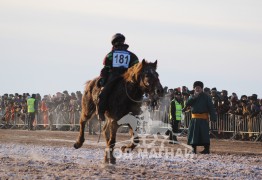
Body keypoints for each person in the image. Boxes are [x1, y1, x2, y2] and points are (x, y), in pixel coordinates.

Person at [97, 33, 139, 121]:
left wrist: (102, 78)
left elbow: (106, 67)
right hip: (128, 77)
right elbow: (136, 66)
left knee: (104, 93)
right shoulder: (132, 55)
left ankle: (101, 112)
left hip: (114, 76)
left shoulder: (110, 54)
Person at [183, 81, 217, 154]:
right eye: (196, 88)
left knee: (204, 135)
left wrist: (213, 117)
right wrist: (194, 97)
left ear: (202, 88)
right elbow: (187, 104)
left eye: (199, 88)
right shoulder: (192, 96)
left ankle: (206, 149)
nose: (197, 89)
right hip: (194, 119)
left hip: (203, 119)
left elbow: (211, 107)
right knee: (193, 135)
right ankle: (193, 149)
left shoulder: (206, 97)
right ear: (194, 88)